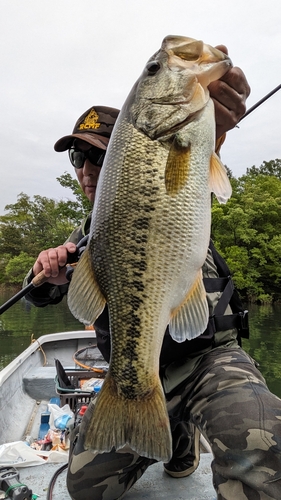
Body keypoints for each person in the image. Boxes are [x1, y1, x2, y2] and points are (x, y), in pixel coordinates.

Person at [24, 48, 281, 500]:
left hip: (208, 360)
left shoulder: (175, 178)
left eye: (98, 157)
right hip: (137, 373)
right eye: (76, 159)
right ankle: (176, 431)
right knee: (86, 489)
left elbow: (190, 164)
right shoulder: (84, 236)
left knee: (264, 450)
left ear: (127, 153)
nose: (86, 170)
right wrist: (46, 276)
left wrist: (213, 134)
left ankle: (182, 430)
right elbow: (52, 295)